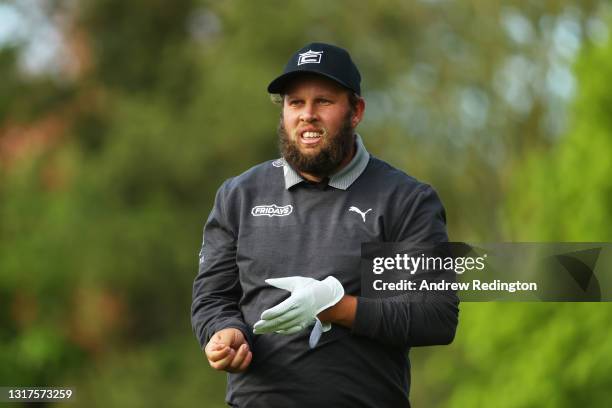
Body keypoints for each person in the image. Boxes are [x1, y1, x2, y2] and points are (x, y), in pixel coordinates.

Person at [191, 42, 459, 407]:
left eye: (324, 102)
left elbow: (434, 314)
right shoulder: (240, 196)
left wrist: (334, 306)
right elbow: (213, 298)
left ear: (356, 111)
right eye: (295, 102)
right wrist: (224, 334)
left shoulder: (402, 200)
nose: (307, 115)